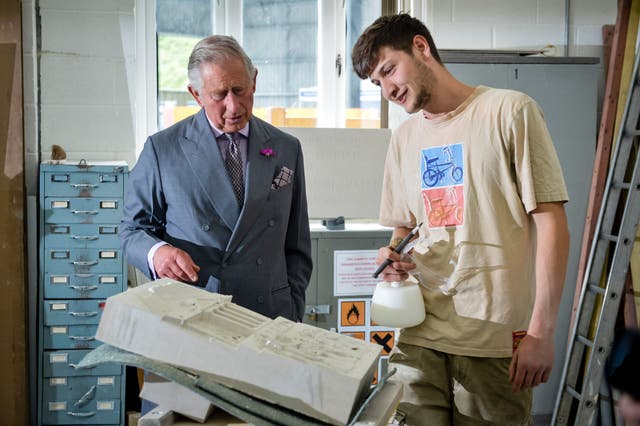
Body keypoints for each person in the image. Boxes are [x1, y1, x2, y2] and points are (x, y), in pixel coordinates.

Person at [352, 14, 570, 425]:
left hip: (492, 340)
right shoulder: (404, 138)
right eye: (377, 84)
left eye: (388, 70)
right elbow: (405, 224)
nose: (388, 90)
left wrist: (541, 332)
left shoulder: (509, 111)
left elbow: (552, 222)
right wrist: (395, 252)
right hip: (418, 334)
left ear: (421, 47)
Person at [120, 35, 312, 326]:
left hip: (271, 317)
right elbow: (131, 231)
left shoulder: (286, 148)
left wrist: (294, 308)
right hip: (196, 314)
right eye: (220, 95)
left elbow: (297, 245)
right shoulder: (164, 150)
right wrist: (157, 253)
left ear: (254, 82)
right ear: (196, 94)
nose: (233, 107)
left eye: (240, 90)